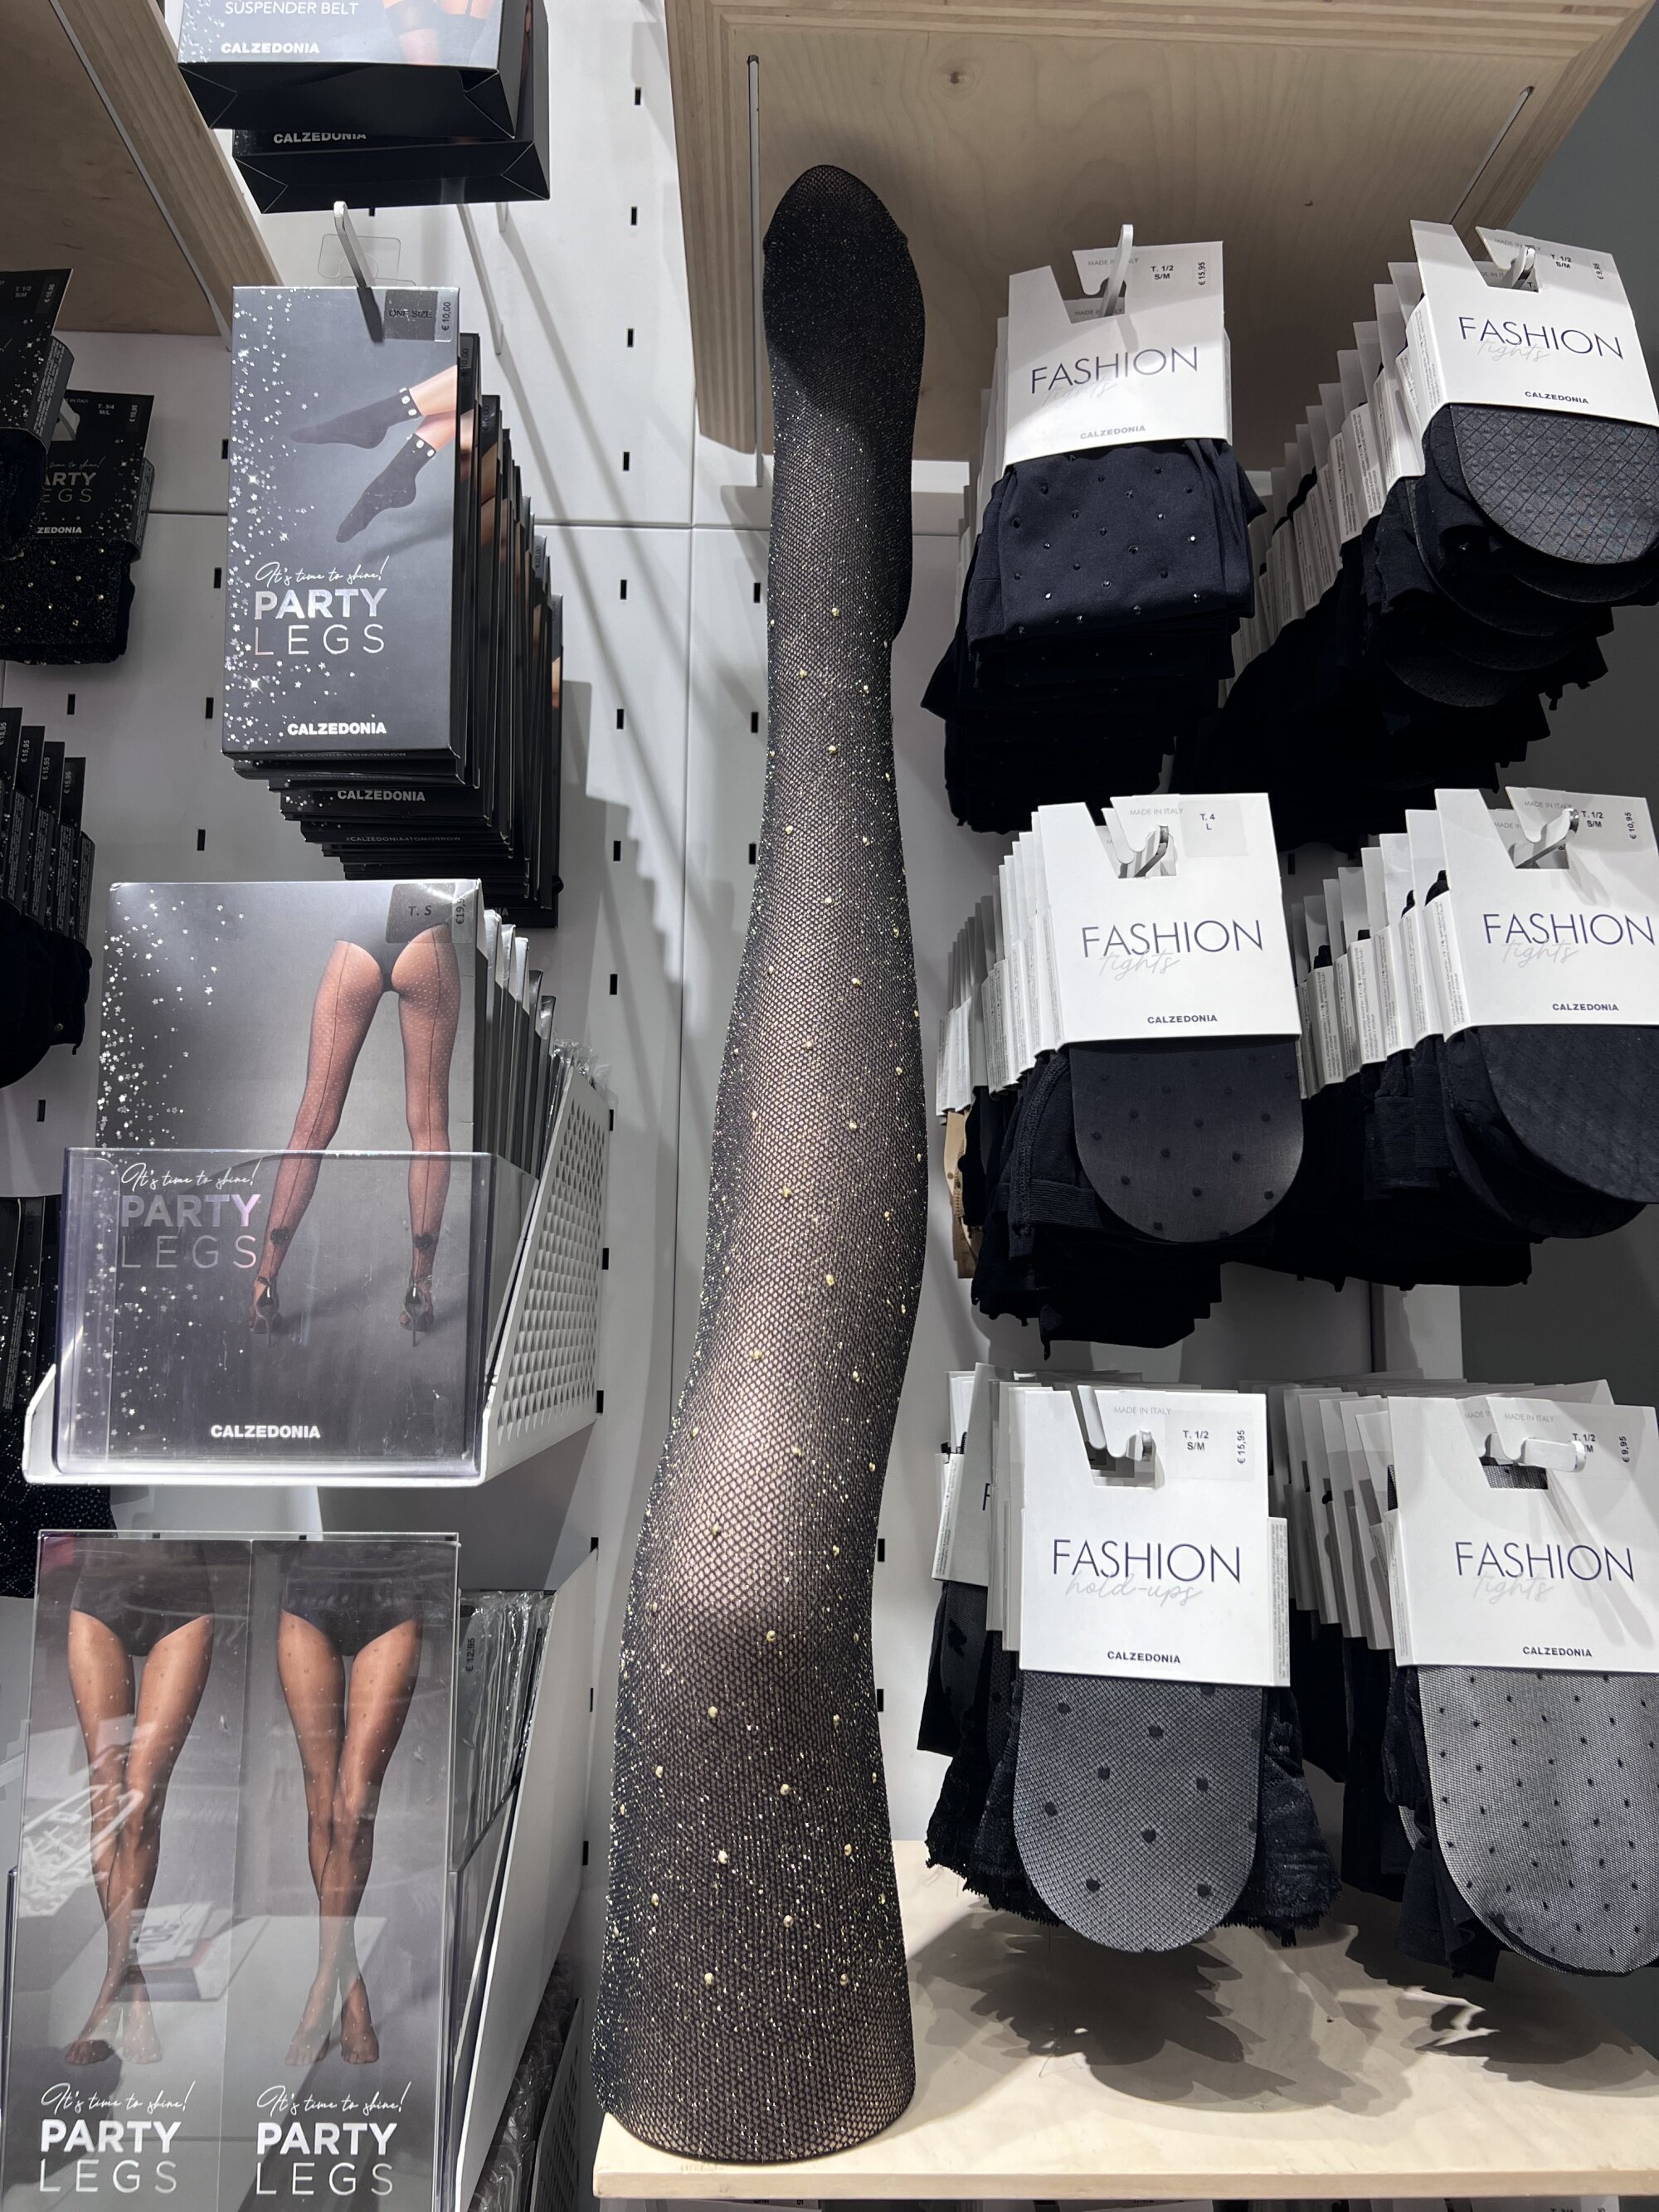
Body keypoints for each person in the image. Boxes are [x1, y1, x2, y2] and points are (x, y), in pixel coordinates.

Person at [251, 885, 460, 1340]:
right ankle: (420, 1287)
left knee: (311, 1125)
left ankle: (265, 1282)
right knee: (429, 1126)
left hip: (358, 933)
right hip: (425, 931)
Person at [63, 1542, 216, 2065]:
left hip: (183, 1590)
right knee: (107, 1792)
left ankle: (113, 1986)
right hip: (101, 1587)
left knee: (143, 1797)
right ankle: (128, 1985)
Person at [275, 1547, 426, 2067]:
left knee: (354, 1806)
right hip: (309, 1587)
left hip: (393, 1583)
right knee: (321, 1805)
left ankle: (322, 1989)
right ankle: (350, 1984)